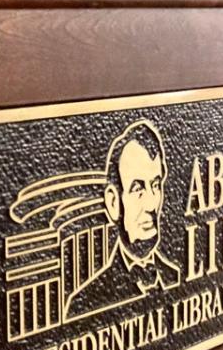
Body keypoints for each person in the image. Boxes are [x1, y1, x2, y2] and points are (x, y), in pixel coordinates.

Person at [63, 120, 181, 322]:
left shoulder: (175, 276)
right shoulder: (85, 303)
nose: (152, 203)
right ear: (113, 202)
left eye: (156, 185)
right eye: (138, 189)